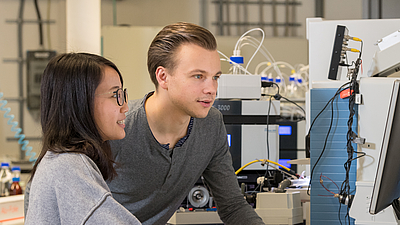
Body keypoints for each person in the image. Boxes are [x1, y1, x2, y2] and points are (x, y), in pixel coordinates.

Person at [107, 22, 265, 225]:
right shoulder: (118, 126)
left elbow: (233, 206)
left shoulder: (211, 124)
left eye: (215, 77)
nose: (211, 89)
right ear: (163, 77)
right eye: (198, 76)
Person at [24, 53, 141, 224]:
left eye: (122, 95)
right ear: (80, 102)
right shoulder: (69, 166)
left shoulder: (59, 160)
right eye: (115, 95)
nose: (125, 106)